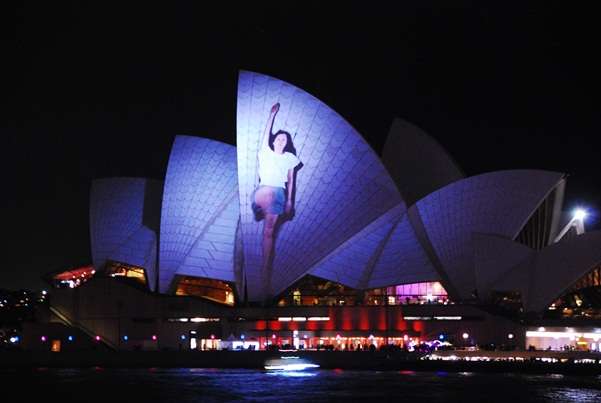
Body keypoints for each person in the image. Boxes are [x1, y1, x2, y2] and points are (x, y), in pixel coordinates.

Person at [252, 102, 301, 288]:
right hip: (265, 189)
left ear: (287, 144)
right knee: (267, 228)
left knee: (269, 231)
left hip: (279, 192)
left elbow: (291, 180)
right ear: (273, 141)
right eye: (278, 138)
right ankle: (258, 206)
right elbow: (266, 134)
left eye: (284, 140)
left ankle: (265, 267)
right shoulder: (265, 152)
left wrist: (290, 201)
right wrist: (272, 115)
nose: (281, 141)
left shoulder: (289, 158)